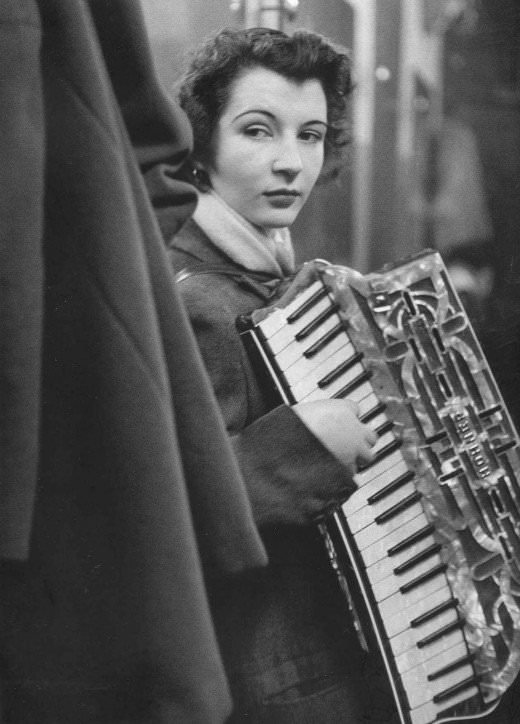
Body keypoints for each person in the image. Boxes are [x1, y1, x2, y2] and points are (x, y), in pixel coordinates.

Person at [168, 27, 394, 723]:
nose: (290, 162)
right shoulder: (193, 299)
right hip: (261, 685)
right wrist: (305, 442)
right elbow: (169, 509)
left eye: (312, 134)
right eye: (258, 131)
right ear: (203, 145)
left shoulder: (268, 279)